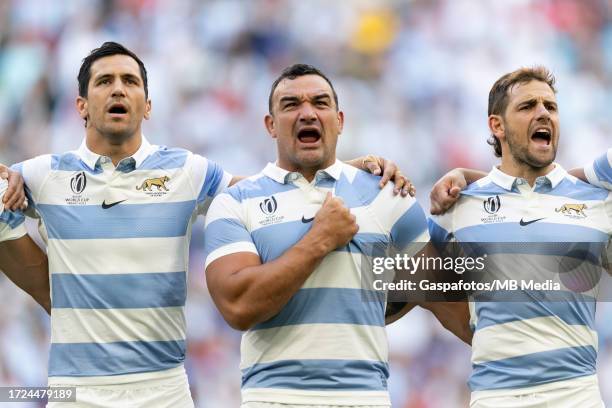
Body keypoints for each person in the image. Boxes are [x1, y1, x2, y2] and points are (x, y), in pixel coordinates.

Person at [0, 42, 412, 407]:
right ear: (81, 106)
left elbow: (266, 188)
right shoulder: (43, 174)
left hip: (163, 387)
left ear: (148, 104)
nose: (119, 89)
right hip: (74, 389)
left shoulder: (186, 169)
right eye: (104, 81)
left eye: (130, 81)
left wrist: (341, 168)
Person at [203, 64, 472, 408]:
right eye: (290, 105)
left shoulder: (386, 195)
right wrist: (320, 240)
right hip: (274, 398)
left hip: (363, 397)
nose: (307, 113)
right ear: (270, 125)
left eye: (320, 102)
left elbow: (454, 309)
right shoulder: (235, 202)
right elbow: (238, 307)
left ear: (340, 120)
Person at [429, 66, 610, 407]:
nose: (543, 113)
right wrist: (483, 339)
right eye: (528, 106)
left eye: (551, 107)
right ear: (497, 125)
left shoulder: (598, 201)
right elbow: (427, 291)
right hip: (496, 397)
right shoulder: (458, 206)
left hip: (577, 396)